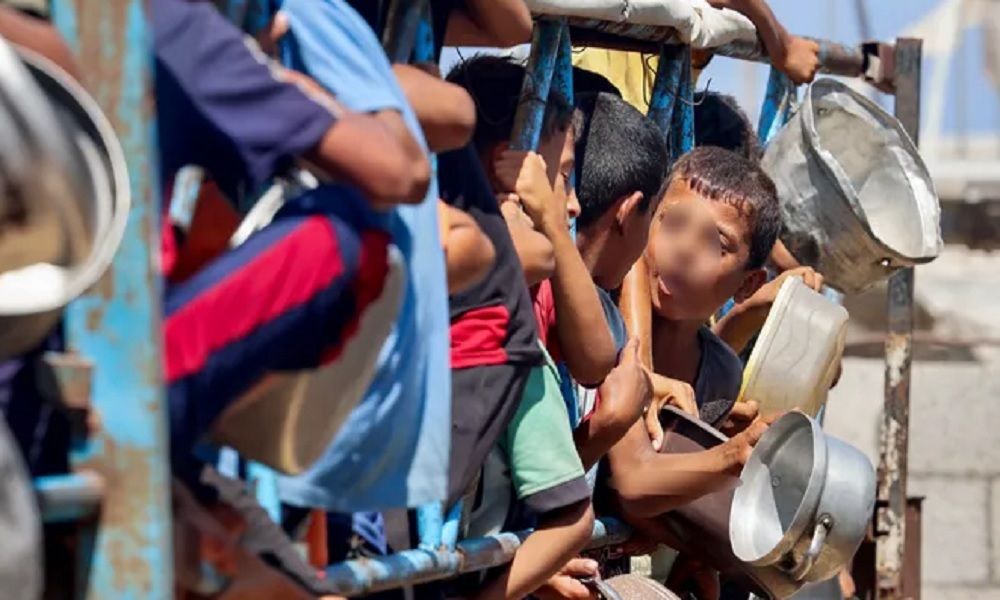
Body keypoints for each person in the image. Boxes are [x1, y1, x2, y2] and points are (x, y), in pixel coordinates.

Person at [447, 55, 607, 600]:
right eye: (562, 177)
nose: (574, 202)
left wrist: (553, 230)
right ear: (509, 169)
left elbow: (595, 358)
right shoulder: (507, 321)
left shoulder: (538, 290)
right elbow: (574, 518)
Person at [606, 146, 782, 522]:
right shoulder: (605, 316)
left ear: (748, 285)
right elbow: (632, 487)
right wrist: (733, 455)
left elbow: (666, 493)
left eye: (716, 244)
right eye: (672, 223)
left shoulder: (720, 376)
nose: (684, 249)